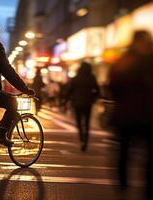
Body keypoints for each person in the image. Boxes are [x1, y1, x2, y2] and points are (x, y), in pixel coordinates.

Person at [109, 30, 153, 199]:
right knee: (124, 152)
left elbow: (113, 87)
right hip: (131, 114)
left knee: (127, 152)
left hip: (140, 114)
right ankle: (122, 186)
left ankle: (133, 188)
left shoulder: (124, 61)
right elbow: (114, 86)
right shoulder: (127, 62)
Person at [65, 62, 99, 151]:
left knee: (79, 122)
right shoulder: (92, 78)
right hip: (88, 103)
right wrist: (93, 98)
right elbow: (97, 90)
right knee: (87, 123)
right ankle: (85, 141)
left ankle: (81, 138)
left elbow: (70, 90)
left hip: (77, 103)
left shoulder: (76, 78)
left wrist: (66, 100)